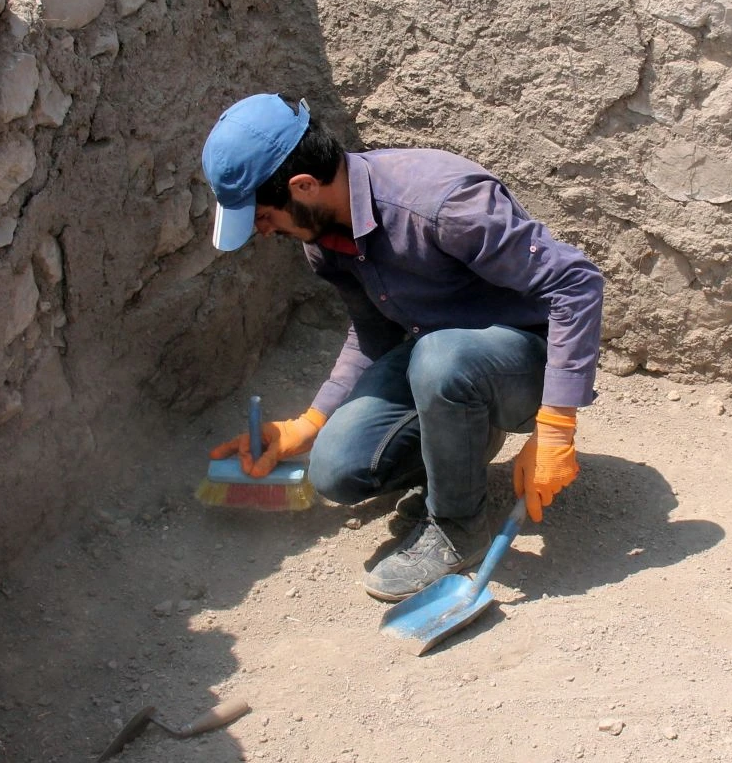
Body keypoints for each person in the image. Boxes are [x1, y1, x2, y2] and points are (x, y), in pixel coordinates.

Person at [200, 93, 604, 601]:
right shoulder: (324, 238)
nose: (262, 232)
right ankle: (458, 456)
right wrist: (309, 423)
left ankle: (458, 525)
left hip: (526, 364)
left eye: (262, 217)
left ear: (302, 187)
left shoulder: (440, 204)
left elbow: (577, 284)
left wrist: (557, 426)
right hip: (439, 363)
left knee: (441, 360)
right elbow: (372, 336)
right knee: (336, 469)